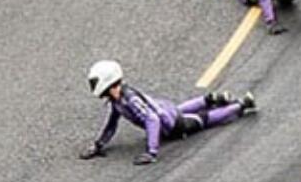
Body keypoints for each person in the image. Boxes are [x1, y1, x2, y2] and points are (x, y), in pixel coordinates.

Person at [81, 59, 256, 164]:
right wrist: (98, 145)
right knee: (179, 109)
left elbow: (152, 119)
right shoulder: (117, 100)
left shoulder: (129, 99)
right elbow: (111, 124)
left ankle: (241, 105)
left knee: (205, 119)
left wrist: (152, 152)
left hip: (173, 126)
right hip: (167, 111)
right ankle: (210, 99)